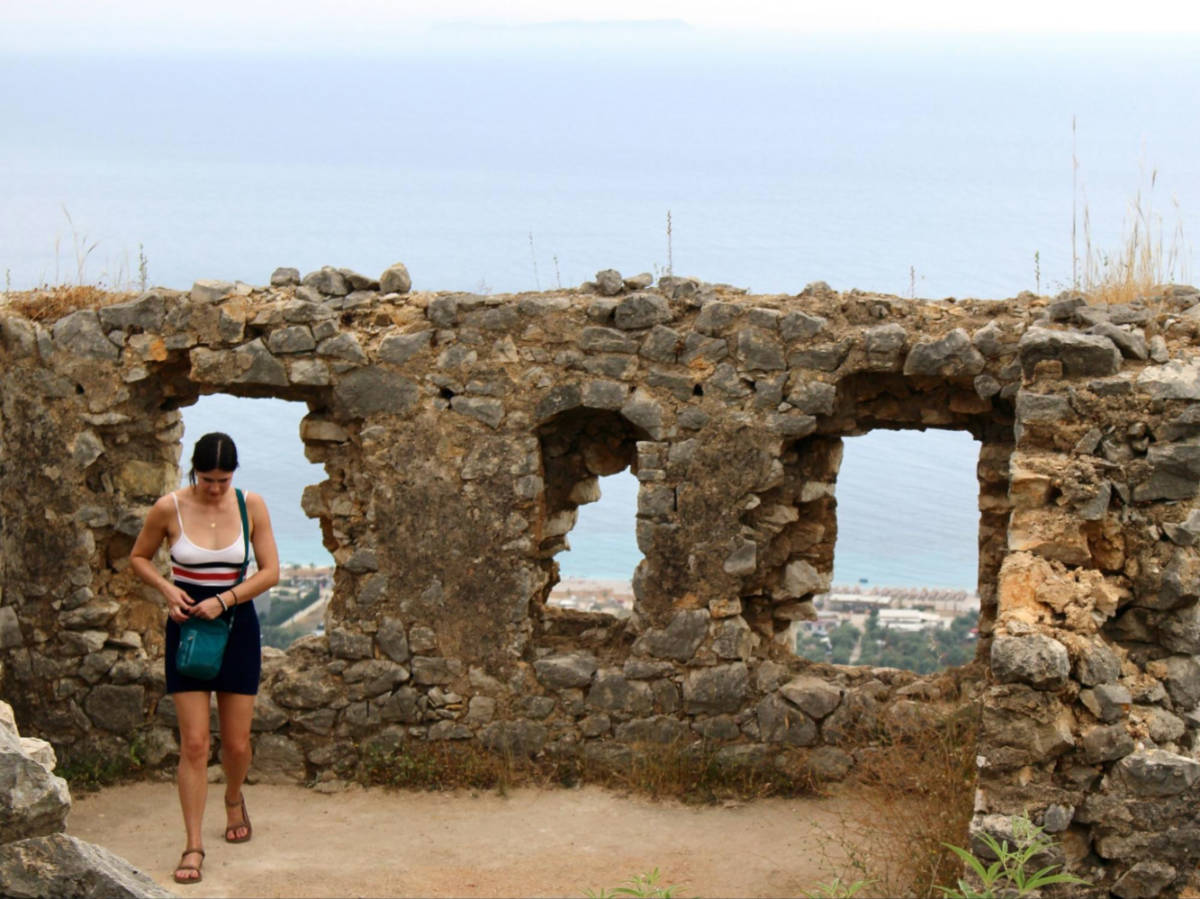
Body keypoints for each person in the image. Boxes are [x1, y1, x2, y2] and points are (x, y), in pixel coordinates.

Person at [130, 432, 279, 885]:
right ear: (193, 470)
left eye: (223, 479)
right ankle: (193, 844)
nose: (215, 487)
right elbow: (138, 558)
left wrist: (226, 599)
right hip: (188, 627)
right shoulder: (168, 507)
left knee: (235, 743)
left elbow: (272, 571)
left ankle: (233, 796)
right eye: (207, 478)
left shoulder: (250, 505)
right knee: (194, 743)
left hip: (236, 626)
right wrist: (168, 589)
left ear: (234, 474)